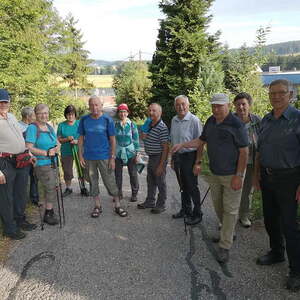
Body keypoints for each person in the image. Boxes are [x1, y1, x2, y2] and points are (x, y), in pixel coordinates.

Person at [172, 93, 249, 263]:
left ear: (227, 105)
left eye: (219, 106)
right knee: (219, 207)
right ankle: (228, 232)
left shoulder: (236, 124)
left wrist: (239, 175)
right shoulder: (211, 121)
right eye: (213, 106)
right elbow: (200, 141)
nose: (215, 109)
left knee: (230, 210)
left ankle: (225, 245)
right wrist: (183, 145)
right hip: (215, 174)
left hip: (232, 175)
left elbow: (244, 152)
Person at [253, 79, 300, 291]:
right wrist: (256, 176)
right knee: (271, 219)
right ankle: (276, 252)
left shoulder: (297, 119)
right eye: (272, 93)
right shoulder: (266, 119)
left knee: (290, 225)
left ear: (291, 95)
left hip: (290, 179)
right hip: (267, 176)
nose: (276, 96)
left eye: (281, 92)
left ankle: (296, 271)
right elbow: (259, 151)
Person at [78, 96, 128, 218]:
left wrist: (112, 157)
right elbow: (80, 139)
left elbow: (112, 139)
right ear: (89, 106)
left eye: (97, 105)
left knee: (110, 181)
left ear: (101, 106)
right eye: (92, 105)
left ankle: (117, 205)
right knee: (93, 182)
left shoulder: (107, 120)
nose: (94, 107)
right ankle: (97, 206)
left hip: (104, 156)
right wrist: (80, 156)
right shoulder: (84, 120)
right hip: (89, 157)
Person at [0, 89, 36, 240]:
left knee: (20, 192)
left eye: (5, 101)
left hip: (22, 159)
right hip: (4, 162)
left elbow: (20, 137)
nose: (3, 104)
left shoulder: (12, 116)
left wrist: (29, 154)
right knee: (6, 197)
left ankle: (20, 219)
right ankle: (9, 227)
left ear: (9, 102)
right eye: (0, 102)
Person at [170, 95, 203, 225]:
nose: (181, 107)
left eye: (183, 104)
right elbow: (173, 141)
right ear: (175, 107)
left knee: (192, 186)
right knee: (182, 185)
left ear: (188, 105)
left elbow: (201, 143)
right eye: (178, 105)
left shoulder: (194, 120)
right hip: (178, 157)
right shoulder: (174, 120)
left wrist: (198, 162)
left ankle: (198, 213)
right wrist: (172, 159)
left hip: (191, 157)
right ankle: (186, 209)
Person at [26, 104, 59, 225]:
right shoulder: (33, 128)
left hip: (53, 163)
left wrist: (56, 148)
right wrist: (46, 152)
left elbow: (57, 142)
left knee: (52, 187)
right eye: (41, 113)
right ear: (36, 114)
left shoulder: (49, 127)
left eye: (46, 113)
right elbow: (29, 147)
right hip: (41, 163)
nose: (44, 115)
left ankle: (49, 210)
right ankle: (48, 213)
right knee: (50, 187)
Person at [233, 93, 261, 228]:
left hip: (251, 163)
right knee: (231, 191)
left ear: (249, 105)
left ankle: (244, 216)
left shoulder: (257, 121)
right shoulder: (230, 120)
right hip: (234, 164)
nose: (241, 107)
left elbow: (262, 143)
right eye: (238, 104)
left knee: (247, 191)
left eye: (244, 104)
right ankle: (228, 218)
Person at [137, 103, 169, 214]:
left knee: (160, 181)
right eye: (149, 110)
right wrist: (143, 131)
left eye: (154, 111)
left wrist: (161, 164)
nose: (151, 113)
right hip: (151, 157)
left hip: (159, 157)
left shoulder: (162, 127)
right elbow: (143, 138)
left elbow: (166, 148)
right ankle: (150, 201)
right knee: (150, 180)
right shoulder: (149, 123)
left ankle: (161, 204)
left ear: (160, 113)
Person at [114, 103, 140, 202]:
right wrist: (111, 154)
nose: (122, 114)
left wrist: (137, 154)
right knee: (117, 175)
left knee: (133, 174)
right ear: (118, 113)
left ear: (128, 113)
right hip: (118, 152)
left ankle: (134, 194)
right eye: (120, 112)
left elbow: (136, 140)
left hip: (131, 152)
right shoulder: (115, 125)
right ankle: (118, 194)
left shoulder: (132, 125)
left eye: (124, 111)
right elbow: (112, 140)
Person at [57, 105, 80, 197]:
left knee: (81, 169)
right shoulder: (61, 125)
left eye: (72, 114)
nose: (70, 116)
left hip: (79, 149)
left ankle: (83, 187)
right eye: (68, 114)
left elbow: (85, 137)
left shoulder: (79, 123)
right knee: (67, 170)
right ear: (65, 115)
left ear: (75, 115)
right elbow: (59, 139)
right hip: (66, 150)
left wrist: (77, 141)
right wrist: (67, 139)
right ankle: (68, 188)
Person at [19, 106, 40, 206]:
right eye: (33, 116)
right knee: (23, 181)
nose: (35, 117)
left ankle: (34, 198)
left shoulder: (33, 126)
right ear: (28, 116)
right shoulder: (19, 127)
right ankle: (21, 201)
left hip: (33, 157)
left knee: (35, 177)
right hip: (23, 158)